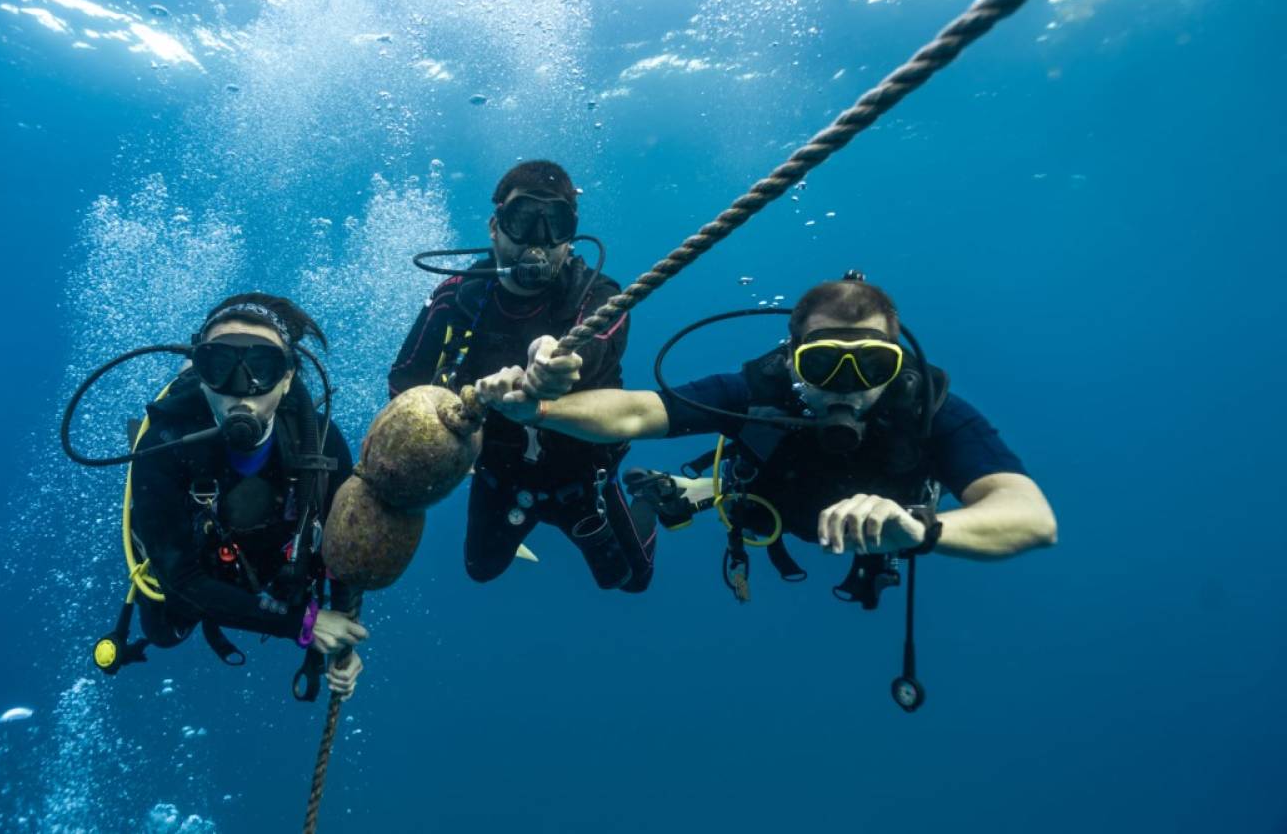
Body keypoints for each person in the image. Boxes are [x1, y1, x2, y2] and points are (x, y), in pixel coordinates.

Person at [475, 273, 1055, 599]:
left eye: (871, 366)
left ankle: (693, 490)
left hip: (874, 528)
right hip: (765, 504)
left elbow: (1031, 517)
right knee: (734, 489)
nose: (847, 389)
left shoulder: (926, 411)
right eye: (825, 364)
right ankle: (698, 491)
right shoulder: (759, 393)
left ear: (897, 365)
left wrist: (920, 529)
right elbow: (635, 412)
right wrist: (541, 409)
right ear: (794, 360)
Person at [388, 160, 656, 591]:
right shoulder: (455, 297)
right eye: (523, 220)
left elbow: (598, 341)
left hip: (583, 479)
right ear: (495, 226)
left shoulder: (599, 295)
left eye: (556, 224)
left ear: (570, 237)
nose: (539, 241)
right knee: (481, 570)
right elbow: (402, 382)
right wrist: (459, 415)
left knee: (633, 579)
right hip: (500, 474)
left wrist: (557, 362)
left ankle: (650, 498)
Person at [126, 293, 368, 698]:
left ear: (288, 377)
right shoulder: (163, 444)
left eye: (261, 367)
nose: (241, 391)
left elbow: (343, 546)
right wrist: (302, 624)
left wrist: (342, 637)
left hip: (275, 565)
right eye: (219, 367)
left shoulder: (321, 443)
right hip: (197, 569)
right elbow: (181, 577)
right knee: (164, 631)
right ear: (201, 376)